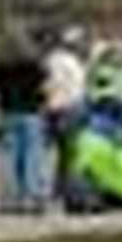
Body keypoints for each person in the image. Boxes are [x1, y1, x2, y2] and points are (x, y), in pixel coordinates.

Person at [0, 26, 47, 214]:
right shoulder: (34, 62)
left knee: (9, 156)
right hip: (32, 111)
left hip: (8, 112)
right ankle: (32, 195)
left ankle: (11, 197)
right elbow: (45, 83)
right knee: (32, 155)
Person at [43, 27, 87, 203]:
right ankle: (66, 189)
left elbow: (46, 86)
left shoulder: (49, 61)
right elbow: (78, 88)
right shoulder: (72, 63)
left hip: (52, 109)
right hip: (70, 109)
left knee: (55, 152)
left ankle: (54, 189)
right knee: (69, 152)